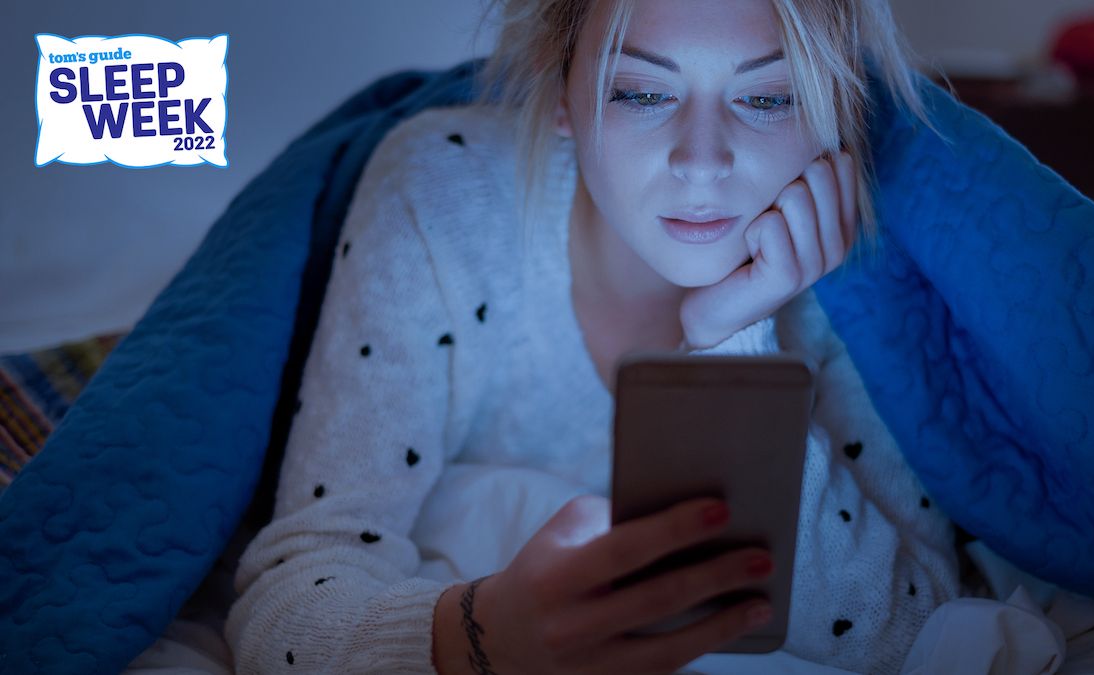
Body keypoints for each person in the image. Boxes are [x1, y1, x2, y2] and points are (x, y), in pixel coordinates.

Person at [223, 1, 961, 673]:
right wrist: (482, 632)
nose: (701, 160)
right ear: (559, 97)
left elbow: (920, 627)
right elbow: (287, 599)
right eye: (640, 92)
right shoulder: (444, 200)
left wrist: (730, 336)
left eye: (769, 98)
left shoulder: (852, 269)